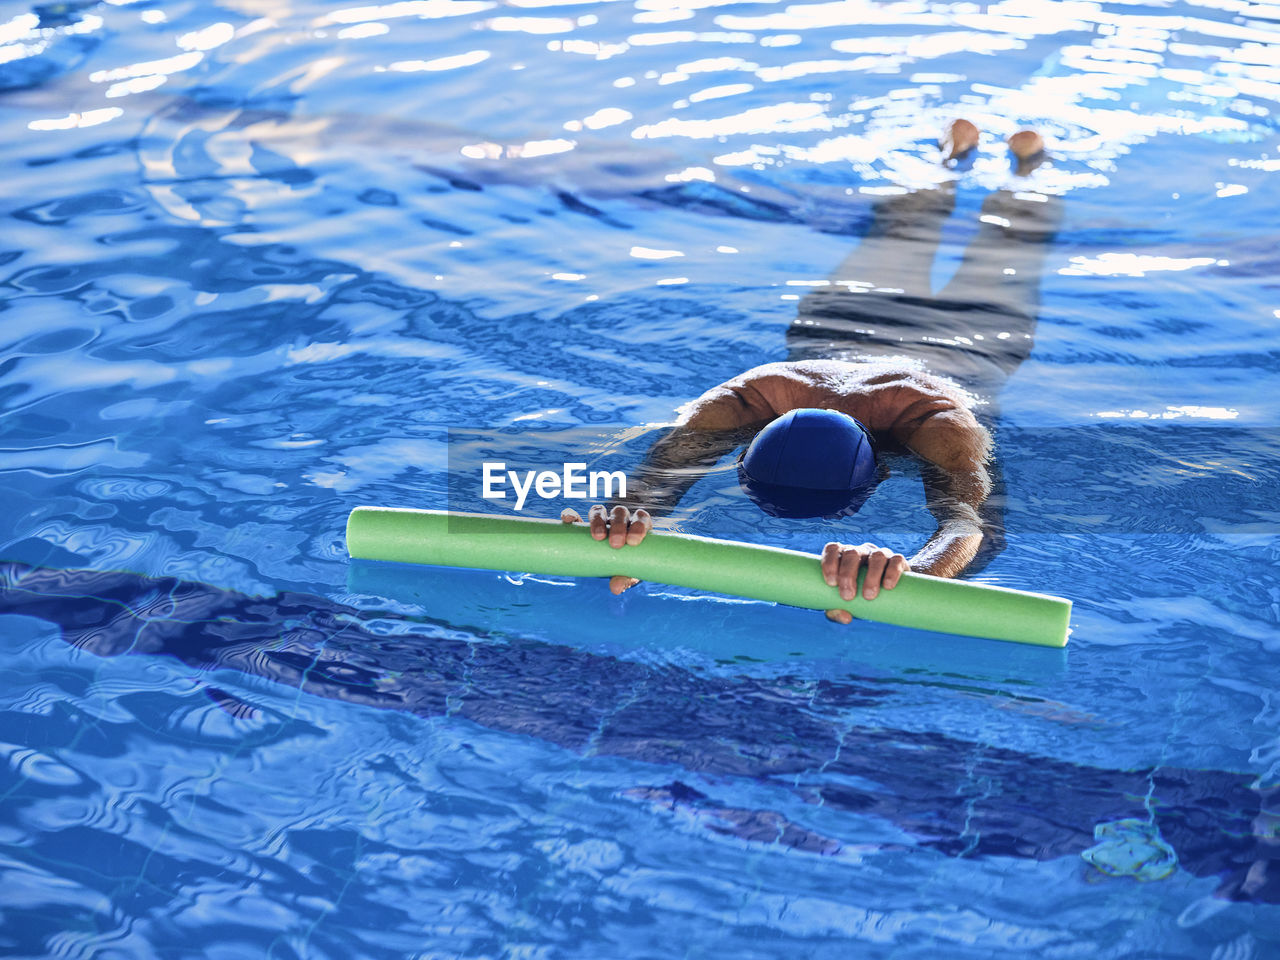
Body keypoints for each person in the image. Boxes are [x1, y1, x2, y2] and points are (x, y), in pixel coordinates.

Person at [562, 120, 1064, 623]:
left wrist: (914, 573)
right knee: (954, 237)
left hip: (960, 342)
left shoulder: (938, 422)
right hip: (850, 321)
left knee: (995, 243)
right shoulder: (745, 397)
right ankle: (999, 161)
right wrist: (624, 520)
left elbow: (971, 528)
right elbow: (964, 523)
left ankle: (997, 163)